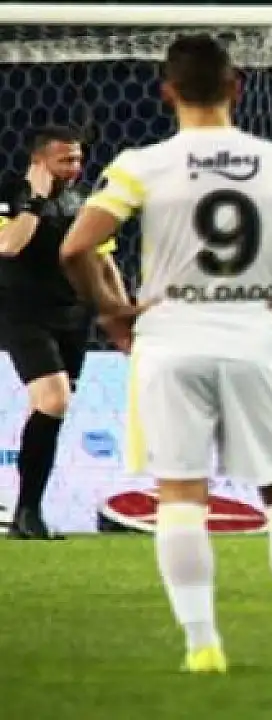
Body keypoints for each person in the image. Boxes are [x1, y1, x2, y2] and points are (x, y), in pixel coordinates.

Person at [59, 33, 272, 673]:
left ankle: (202, 647)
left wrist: (111, 308)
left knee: (180, 493)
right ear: (237, 87)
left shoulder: (141, 164)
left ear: (167, 92)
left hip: (170, 336)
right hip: (252, 335)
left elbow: (75, 248)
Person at [0, 125, 127, 539]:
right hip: (21, 314)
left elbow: (103, 261)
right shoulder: (9, 194)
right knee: (54, 399)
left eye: (77, 159)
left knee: (52, 408)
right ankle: (27, 513)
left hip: (72, 317)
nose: (74, 167)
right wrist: (35, 202)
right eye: (64, 160)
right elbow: (9, 246)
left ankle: (27, 513)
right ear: (39, 161)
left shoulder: (82, 201)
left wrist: (119, 312)